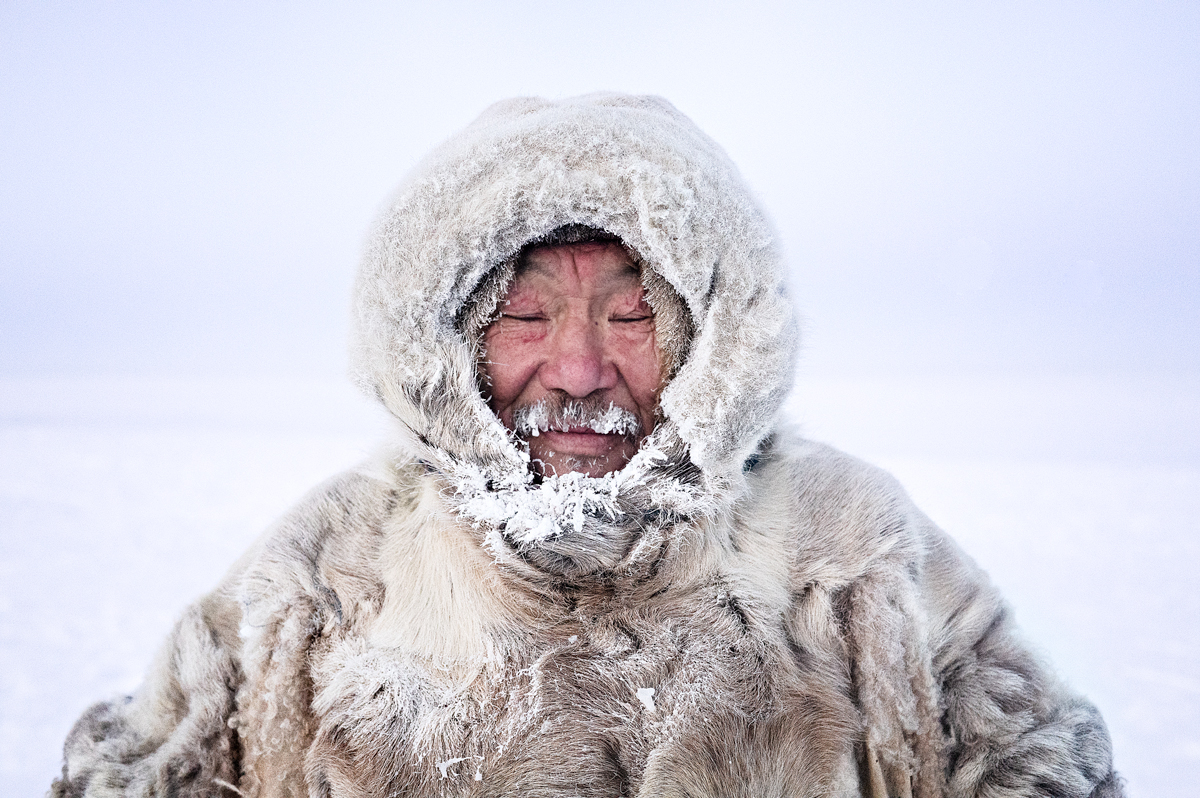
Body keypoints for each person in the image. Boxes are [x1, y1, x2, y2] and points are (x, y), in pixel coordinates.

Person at [52, 94, 1123, 798]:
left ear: (711, 337)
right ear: (444, 342)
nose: (576, 370)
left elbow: (1033, 761)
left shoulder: (850, 540)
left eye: (631, 314)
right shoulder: (327, 562)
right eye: (525, 317)